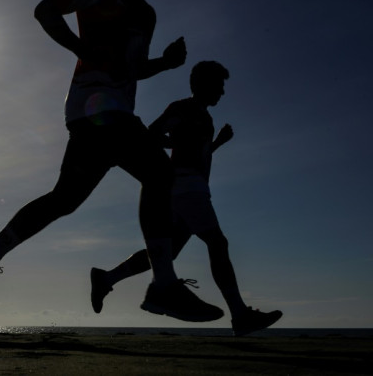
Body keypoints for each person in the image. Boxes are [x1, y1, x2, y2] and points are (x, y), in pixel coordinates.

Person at [0, 0, 221, 322]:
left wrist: (166, 64)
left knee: (65, 199)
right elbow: (45, 10)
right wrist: (82, 47)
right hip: (95, 107)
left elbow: (130, 68)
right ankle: (164, 286)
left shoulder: (146, 13)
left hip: (111, 113)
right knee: (159, 173)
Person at [90, 61, 283, 336]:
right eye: (219, 86)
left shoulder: (205, 117)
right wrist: (176, 145)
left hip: (191, 190)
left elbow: (194, 151)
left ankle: (106, 278)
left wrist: (217, 144)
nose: (222, 93)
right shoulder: (183, 108)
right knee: (218, 242)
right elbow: (152, 135)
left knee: (168, 253)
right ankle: (240, 314)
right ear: (203, 84)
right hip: (185, 189)